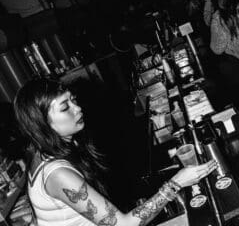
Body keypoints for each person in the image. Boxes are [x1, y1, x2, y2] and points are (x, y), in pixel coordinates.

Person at [14, 78, 217, 226]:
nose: (78, 108)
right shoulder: (57, 174)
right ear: (42, 122)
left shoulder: (42, 151)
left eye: (74, 100)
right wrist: (176, 183)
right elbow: (123, 225)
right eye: (66, 107)